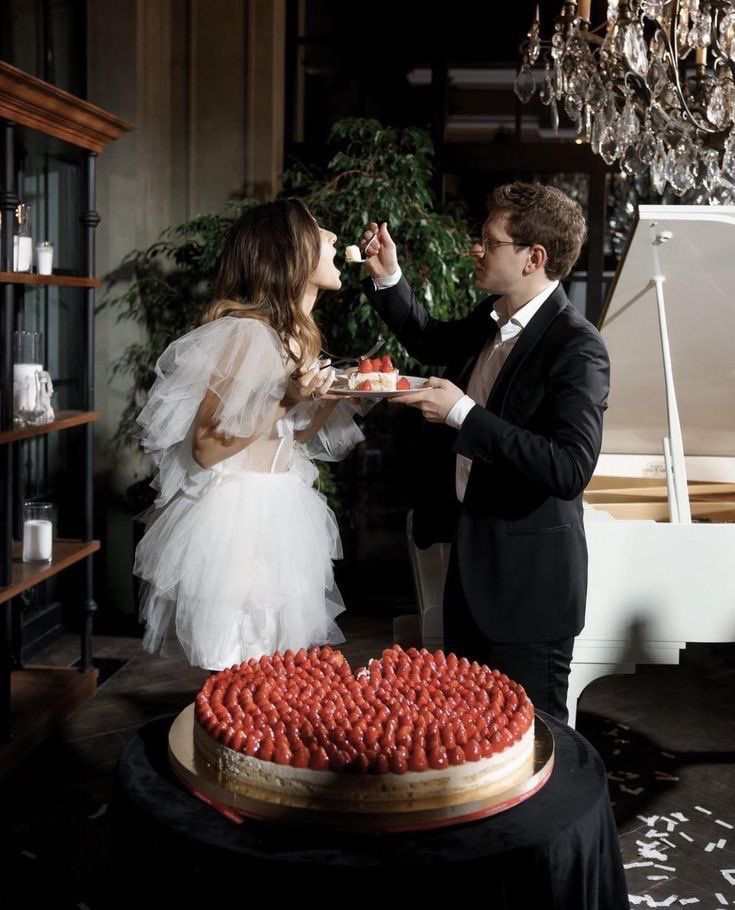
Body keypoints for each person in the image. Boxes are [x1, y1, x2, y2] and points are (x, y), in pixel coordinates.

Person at [360, 182, 610, 722]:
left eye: (489, 241)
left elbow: (569, 468)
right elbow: (429, 340)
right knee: (470, 741)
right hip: (470, 573)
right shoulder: (491, 316)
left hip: (527, 594)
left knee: (534, 750)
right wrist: (388, 277)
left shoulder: (578, 346)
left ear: (533, 258)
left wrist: (463, 416)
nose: (475, 248)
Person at [133, 199, 365, 671]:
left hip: (283, 511)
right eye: (320, 232)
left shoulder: (293, 337)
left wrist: (334, 398)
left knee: (275, 672)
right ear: (289, 253)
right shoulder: (247, 334)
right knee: (240, 670)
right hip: (238, 523)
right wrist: (287, 399)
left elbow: (286, 439)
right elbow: (205, 448)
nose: (334, 239)